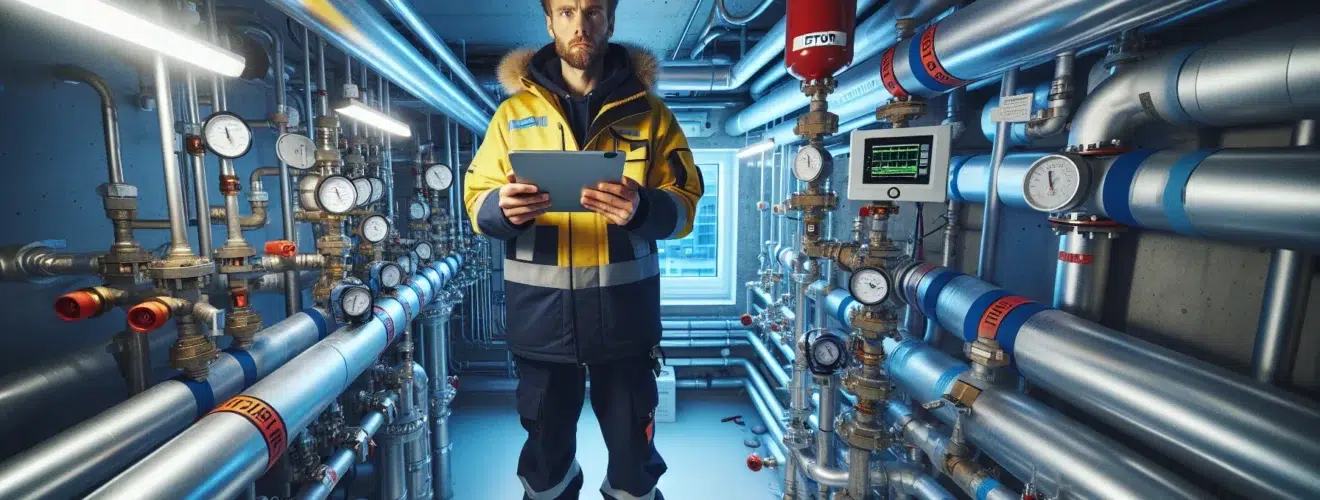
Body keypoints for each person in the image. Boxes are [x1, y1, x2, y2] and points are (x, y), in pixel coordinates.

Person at [462, 0, 705, 498]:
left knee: (635, 468)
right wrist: (499, 208)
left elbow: (686, 205)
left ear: (610, 21)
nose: (580, 24)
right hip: (542, 323)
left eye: (592, 11)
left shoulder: (651, 115)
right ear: (549, 22)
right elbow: (476, 198)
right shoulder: (512, 116)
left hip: (625, 324)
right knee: (544, 468)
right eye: (567, 11)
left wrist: (642, 207)